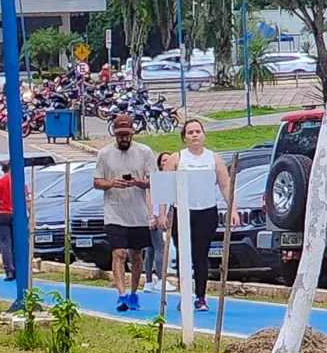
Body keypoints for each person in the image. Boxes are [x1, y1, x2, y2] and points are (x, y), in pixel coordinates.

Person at [94, 112, 158, 312]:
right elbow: (97, 182)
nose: (124, 139)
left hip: (138, 213)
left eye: (127, 135)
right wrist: (112, 183)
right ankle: (121, 295)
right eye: (120, 135)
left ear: (132, 133)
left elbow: (154, 181)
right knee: (118, 253)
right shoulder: (104, 154)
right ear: (114, 134)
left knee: (136, 255)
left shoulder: (145, 152)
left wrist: (139, 182)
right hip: (115, 212)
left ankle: (133, 292)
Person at [173, 117, 234, 313]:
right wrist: (161, 214)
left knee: (201, 256)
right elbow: (164, 187)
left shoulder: (214, 159)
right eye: (190, 132)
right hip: (181, 211)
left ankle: (201, 296)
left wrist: (232, 208)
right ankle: (184, 295)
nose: (194, 135)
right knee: (184, 255)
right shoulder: (177, 158)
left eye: (197, 131)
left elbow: (226, 186)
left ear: (203, 135)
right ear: (184, 138)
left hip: (206, 212)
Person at [0, 160, 20, 281]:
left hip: (2, 215)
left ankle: (9, 271)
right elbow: (27, 199)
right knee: (18, 243)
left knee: (5, 244)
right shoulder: (18, 182)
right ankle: (21, 269)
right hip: (17, 215)